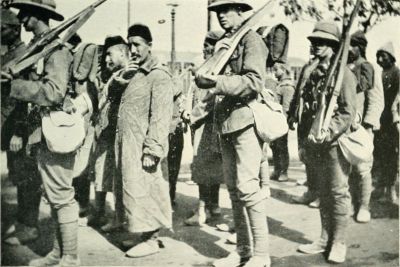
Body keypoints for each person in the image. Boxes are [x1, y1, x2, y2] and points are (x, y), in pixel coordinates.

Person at [2, 0, 94, 265]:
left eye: (24, 12)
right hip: (44, 131)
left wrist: (14, 86)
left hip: (58, 130)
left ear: (35, 15)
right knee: (54, 197)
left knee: (62, 197)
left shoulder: (56, 51)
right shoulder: (41, 48)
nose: (19, 18)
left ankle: (71, 257)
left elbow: (53, 92)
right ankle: (58, 253)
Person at [194, 1, 270, 266]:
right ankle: (243, 250)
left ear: (240, 11)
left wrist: (216, 83)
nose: (221, 17)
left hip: (246, 121)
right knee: (235, 191)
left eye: (227, 10)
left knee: (248, 189)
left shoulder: (251, 40)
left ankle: (261, 255)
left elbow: (254, 82)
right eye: (218, 12)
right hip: (225, 122)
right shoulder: (225, 43)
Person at [296, 21, 357, 264]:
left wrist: (327, 131)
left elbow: (347, 111)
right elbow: (306, 111)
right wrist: (304, 142)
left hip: (334, 143)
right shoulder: (312, 71)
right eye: (313, 42)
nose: (316, 46)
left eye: (322, 42)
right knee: (322, 190)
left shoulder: (344, 75)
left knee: (338, 192)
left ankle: (339, 241)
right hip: (314, 142)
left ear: (333, 45)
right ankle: (324, 238)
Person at [116, 24, 174, 258]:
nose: (133, 50)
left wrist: (152, 149)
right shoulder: (133, 73)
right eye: (129, 45)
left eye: (137, 44)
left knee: (148, 188)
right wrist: (120, 78)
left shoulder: (158, 75)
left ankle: (152, 238)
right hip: (128, 143)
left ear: (150, 46)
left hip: (144, 145)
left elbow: (160, 117)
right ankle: (142, 233)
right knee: (132, 189)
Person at [1, 8, 42, 246]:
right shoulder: (10, 53)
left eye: (1, 29)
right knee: (17, 175)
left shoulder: (25, 55)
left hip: (20, 128)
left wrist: (19, 129)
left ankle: (30, 225)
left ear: (14, 30)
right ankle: (23, 221)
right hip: (6, 125)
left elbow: (30, 97)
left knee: (26, 176)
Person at [89, 36, 130, 232]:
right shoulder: (108, 75)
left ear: (122, 52)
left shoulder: (128, 74)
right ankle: (99, 213)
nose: (106, 59)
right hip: (104, 132)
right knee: (100, 171)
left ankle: (119, 218)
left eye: (109, 54)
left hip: (119, 133)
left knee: (117, 176)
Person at [184, 30, 225, 226]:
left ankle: (202, 210)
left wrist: (192, 115)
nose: (206, 47)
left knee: (203, 166)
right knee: (210, 166)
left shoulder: (215, 70)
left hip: (207, 124)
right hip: (204, 123)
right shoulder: (206, 67)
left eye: (210, 44)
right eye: (205, 43)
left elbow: (208, 99)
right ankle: (212, 206)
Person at [347, 30, 383, 223]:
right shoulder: (345, 66)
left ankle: (364, 207)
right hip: (345, 124)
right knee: (345, 168)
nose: (348, 49)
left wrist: (368, 125)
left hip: (362, 126)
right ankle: (350, 204)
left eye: (352, 45)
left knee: (362, 168)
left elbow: (375, 100)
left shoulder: (369, 68)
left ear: (360, 47)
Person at [373, 42, 399, 204]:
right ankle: (380, 187)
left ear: (391, 57)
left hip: (391, 121)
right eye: (379, 56)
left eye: (384, 56)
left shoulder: (397, 73)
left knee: (391, 155)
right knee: (379, 154)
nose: (381, 59)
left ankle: (391, 190)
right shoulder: (379, 74)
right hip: (380, 120)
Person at [269, 63, 295, 182]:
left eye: (276, 70)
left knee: (282, 146)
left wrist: (282, 123)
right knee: (274, 146)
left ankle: (284, 172)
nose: (274, 73)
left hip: (281, 121)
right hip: (275, 120)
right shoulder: (280, 84)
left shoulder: (287, 86)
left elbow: (286, 107)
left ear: (283, 70)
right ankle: (277, 170)